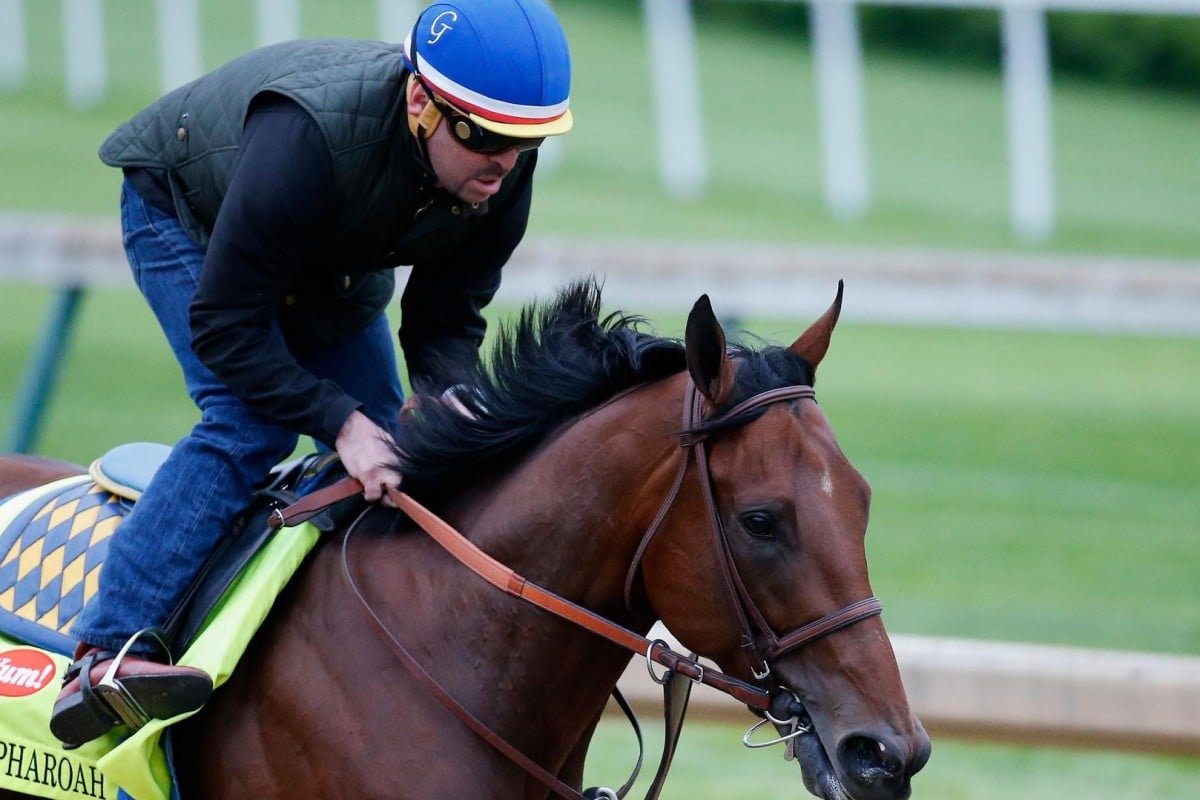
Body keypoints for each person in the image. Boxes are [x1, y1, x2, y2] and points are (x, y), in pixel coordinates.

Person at [49, 0, 572, 749]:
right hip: (188, 216)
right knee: (247, 422)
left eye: (529, 142)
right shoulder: (305, 137)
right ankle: (108, 657)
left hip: (330, 251)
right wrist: (338, 420)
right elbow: (227, 326)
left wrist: (448, 401)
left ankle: (347, 656)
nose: (506, 162)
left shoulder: (499, 169)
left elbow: (445, 320)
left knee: (399, 452)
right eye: (486, 137)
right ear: (421, 103)